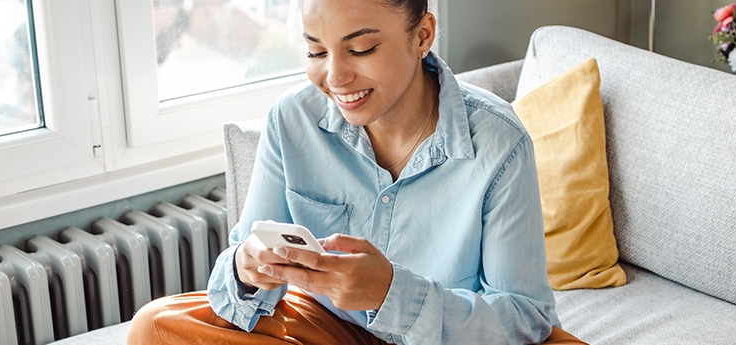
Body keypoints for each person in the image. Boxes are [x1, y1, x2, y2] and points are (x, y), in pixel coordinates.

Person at [127, 0, 584, 343]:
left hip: (448, 337)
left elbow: (524, 319)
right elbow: (234, 287)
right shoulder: (291, 120)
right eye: (315, 51)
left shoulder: (499, 143)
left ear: (422, 35)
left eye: (360, 48)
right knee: (155, 327)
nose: (335, 76)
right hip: (328, 328)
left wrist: (391, 293)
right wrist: (247, 269)